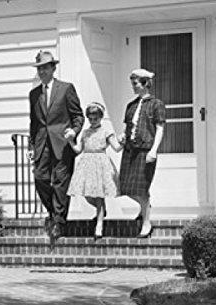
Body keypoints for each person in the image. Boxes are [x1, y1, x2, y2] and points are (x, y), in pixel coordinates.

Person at [29, 50, 84, 241]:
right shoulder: (34, 94)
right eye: (39, 68)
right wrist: (31, 146)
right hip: (41, 144)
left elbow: (78, 116)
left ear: (53, 68)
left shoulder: (66, 88)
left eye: (45, 67)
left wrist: (74, 132)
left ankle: (59, 222)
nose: (42, 71)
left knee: (61, 182)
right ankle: (53, 212)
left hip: (62, 143)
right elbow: (34, 123)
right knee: (40, 178)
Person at [119, 69, 165, 238]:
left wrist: (154, 150)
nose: (133, 86)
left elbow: (160, 128)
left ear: (145, 83)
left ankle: (146, 222)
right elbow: (128, 127)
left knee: (141, 188)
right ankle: (146, 207)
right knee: (125, 187)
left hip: (145, 150)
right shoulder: (130, 106)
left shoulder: (156, 104)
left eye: (135, 83)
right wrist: (122, 136)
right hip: (129, 150)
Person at [67, 102, 122, 240]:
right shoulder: (85, 132)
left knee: (99, 195)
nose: (93, 121)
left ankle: (99, 224)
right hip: (86, 164)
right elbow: (78, 150)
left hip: (100, 163)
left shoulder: (106, 131)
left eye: (95, 118)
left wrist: (123, 140)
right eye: (90, 118)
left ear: (100, 117)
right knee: (88, 195)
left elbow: (116, 148)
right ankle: (101, 211)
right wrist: (70, 141)